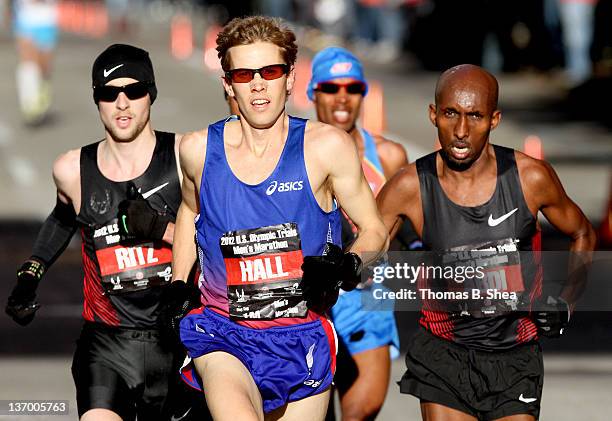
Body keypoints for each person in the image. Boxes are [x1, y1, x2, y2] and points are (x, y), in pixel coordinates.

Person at [163, 15, 389, 421]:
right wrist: (179, 285)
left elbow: (375, 230)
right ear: (227, 83)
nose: (258, 84)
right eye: (244, 74)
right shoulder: (197, 150)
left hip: (302, 334)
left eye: (269, 71)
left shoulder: (326, 147)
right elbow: (189, 212)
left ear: (290, 78)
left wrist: (348, 264)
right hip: (223, 332)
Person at [377, 64, 596, 421]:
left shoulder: (530, 177)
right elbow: (364, 248)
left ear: (494, 120)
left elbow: (583, 233)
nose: (461, 131)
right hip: (443, 355)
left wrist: (566, 302)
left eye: (475, 117)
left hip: (514, 356)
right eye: (451, 114)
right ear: (433, 114)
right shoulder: (409, 186)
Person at [5, 43, 207, 421]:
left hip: (182, 339)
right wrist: (31, 273)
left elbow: (217, 243)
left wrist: (159, 228)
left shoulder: (185, 158)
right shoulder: (71, 170)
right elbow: (64, 217)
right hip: (107, 345)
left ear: (152, 93)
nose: (123, 103)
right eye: (109, 93)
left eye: (134, 91)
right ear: (96, 100)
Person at [307, 46, 406, 421]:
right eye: (331, 87)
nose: (343, 97)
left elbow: (417, 220)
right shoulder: (293, 150)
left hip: (369, 296)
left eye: (354, 87)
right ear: (312, 93)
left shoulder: (390, 155)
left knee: (361, 412)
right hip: (312, 297)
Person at [10, 0, 58, 124]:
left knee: (44, 69)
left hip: (47, 21)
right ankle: (30, 106)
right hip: (26, 21)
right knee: (28, 64)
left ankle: (42, 101)